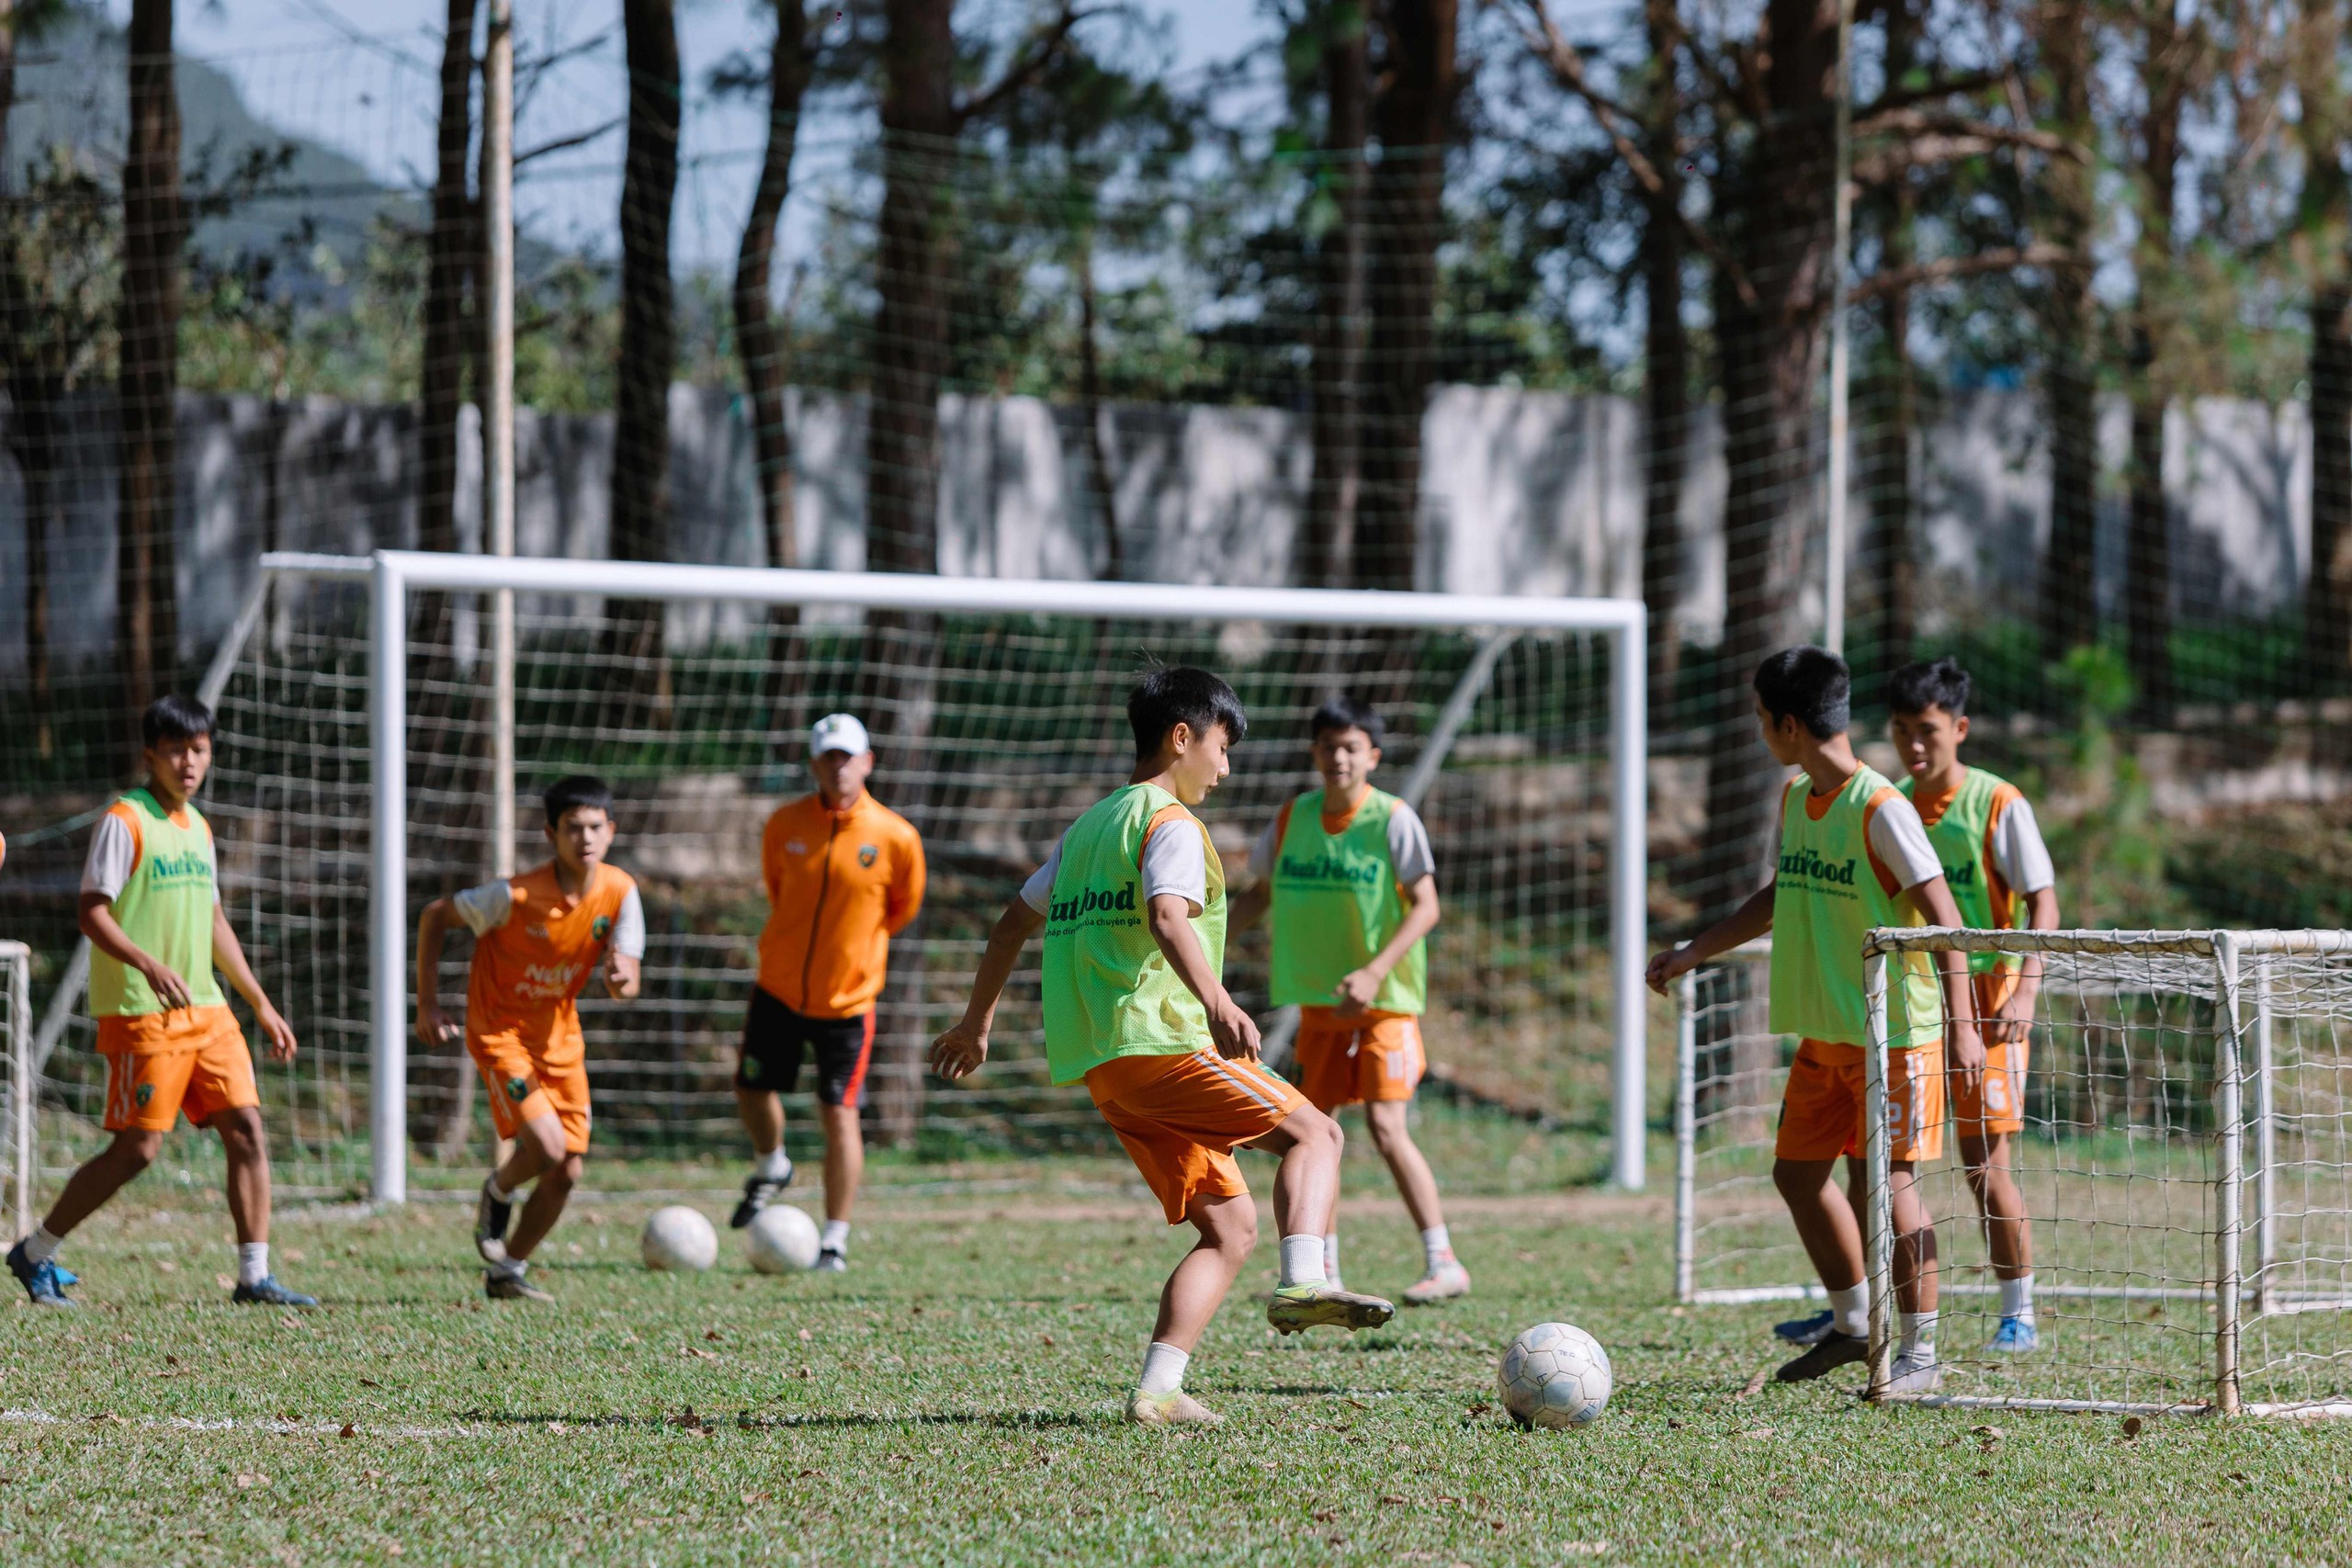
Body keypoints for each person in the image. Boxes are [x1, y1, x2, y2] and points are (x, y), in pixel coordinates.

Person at [930, 666, 1395, 1426]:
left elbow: (1012, 923)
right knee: (1319, 1131)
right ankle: (1307, 1279)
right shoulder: (1171, 823)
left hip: (1108, 1070)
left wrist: (976, 1023)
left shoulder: (1087, 829)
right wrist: (1216, 999)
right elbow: (1169, 915)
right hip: (1166, 1044)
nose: (1226, 766)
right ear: (1183, 738)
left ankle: (1157, 1389)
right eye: (1221, 746)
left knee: (1230, 1227)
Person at [1646, 648, 1982, 1394]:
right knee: (1796, 1174)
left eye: (1762, 720)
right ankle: (1855, 1323)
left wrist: (1962, 1023)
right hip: (1828, 1031)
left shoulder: (1882, 809)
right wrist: (1694, 950)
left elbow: (1946, 917)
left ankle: (1921, 1354)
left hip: (1895, 1033)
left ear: (1788, 724)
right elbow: (1780, 891)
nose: (1760, 732)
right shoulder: (1798, 797)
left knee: (1886, 1186)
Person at [6, 694, 314, 1309]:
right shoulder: (126, 819)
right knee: (137, 1149)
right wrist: (147, 962)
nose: (189, 761)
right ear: (151, 754)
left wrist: (258, 1001)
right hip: (141, 1011)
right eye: (176, 749)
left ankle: (254, 1275)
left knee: (247, 1128)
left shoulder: (197, 827)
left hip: (207, 1009)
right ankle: (35, 1251)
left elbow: (213, 920)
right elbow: (91, 912)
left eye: (199, 748)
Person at [1232, 694, 1462, 1303]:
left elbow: (1428, 903)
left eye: (1351, 746)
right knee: (1317, 1132)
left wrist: (1374, 969)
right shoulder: (1290, 819)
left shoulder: (1392, 818)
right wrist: (1200, 943)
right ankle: (1324, 1270)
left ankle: (1443, 1259)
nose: (1339, 757)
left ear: (1373, 756)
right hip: (1318, 1006)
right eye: (1329, 745)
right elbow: (1256, 895)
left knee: (1388, 1126)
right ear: (1314, 752)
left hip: (1385, 1004)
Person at [415, 774, 644, 1303]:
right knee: (546, 1145)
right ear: (550, 833)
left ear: (610, 831)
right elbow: (435, 916)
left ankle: (507, 1270)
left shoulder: (621, 891)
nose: (584, 838)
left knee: (567, 1170)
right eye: (572, 828)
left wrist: (618, 980)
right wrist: (427, 1003)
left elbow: (627, 976)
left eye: (594, 827)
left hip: (560, 1038)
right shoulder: (512, 897)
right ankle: (497, 1190)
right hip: (500, 1033)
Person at [1888, 656, 2058, 1353]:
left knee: (1983, 1165)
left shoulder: (1997, 802)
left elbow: (2043, 899)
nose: (1914, 745)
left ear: (1959, 727)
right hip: (1916, 997)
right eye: (1900, 730)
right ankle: (1860, 1310)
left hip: (1987, 998)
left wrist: (2025, 986)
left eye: (1927, 729)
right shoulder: (1891, 802)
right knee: (1891, 1165)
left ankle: (2018, 1310)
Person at [728, 713, 926, 1272]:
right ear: (814, 764)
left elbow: (900, 909)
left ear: (868, 762)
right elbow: (776, 888)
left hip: (849, 1001)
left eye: (848, 756)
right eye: (828, 757)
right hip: (778, 989)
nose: (838, 767)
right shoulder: (783, 824)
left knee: (838, 1114)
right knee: (750, 1088)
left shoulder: (896, 836)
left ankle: (834, 1239)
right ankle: (772, 1165)